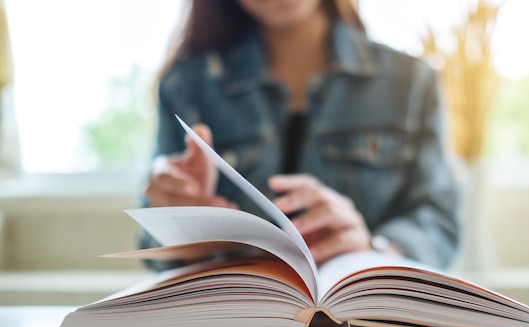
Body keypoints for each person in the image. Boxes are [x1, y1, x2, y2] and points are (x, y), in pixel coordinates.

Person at [140, 0, 460, 272]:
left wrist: (375, 250)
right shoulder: (185, 86)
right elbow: (151, 243)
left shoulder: (410, 82)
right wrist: (180, 230)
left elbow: (439, 221)